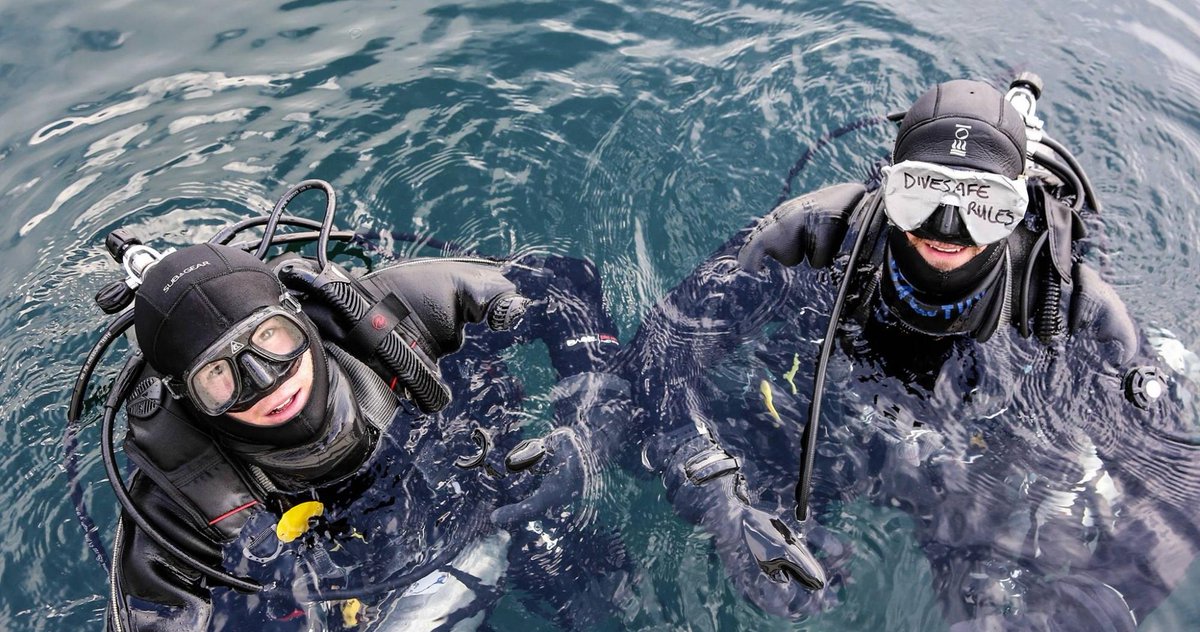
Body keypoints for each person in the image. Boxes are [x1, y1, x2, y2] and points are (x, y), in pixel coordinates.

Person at [616, 78, 1200, 629]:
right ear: (890, 184)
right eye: (924, 192)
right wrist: (721, 498)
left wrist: (1081, 614)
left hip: (976, 449)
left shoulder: (1077, 310)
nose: (948, 227)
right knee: (780, 591)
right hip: (840, 407)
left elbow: (1180, 492)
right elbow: (661, 357)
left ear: (1018, 208)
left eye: (983, 204)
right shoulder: (814, 233)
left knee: (994, 602)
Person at [93, 185, 630, 631]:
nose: (266, 382)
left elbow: (566, 286)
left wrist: (582, 435)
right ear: (188, 398)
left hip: (483, 495)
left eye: (271, 340)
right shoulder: (178, 492)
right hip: (355, 592)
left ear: (299, 316)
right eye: (220, 375)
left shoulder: (393, 314)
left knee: (612, 593)